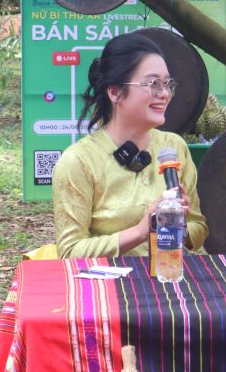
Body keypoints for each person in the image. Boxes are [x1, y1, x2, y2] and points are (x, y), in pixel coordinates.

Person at [52, 32, 207, 258]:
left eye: (167, 84)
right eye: (152, 83)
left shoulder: (173, 147)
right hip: (112, 287)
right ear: (115, 92)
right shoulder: (78, 162)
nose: (163, 93)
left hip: (172, 275)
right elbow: (70, 251)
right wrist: (142, 230)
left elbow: (199, 227)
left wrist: (175, 225)